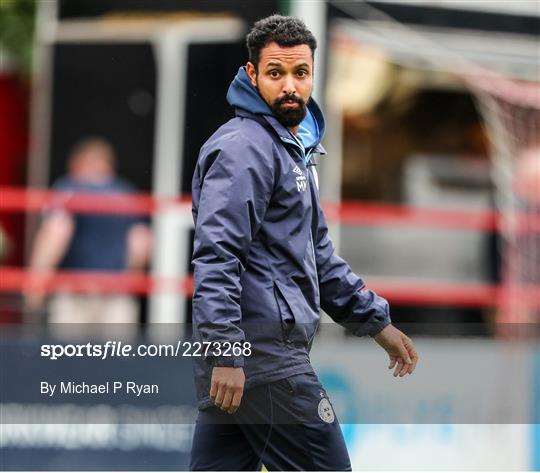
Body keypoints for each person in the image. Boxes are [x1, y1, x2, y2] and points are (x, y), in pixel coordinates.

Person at [189, 15, 418, 471]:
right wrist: (226, 353)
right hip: (262, 361)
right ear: (252, 75)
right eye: (276, 73)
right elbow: (218, 256)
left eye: (301, 73)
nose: (290, 85)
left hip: (251, 363)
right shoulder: (245, 148)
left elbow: (319, 257)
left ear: (314, 74)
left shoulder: (291, 149)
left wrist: (376, 322)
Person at [24, 137, 151, 326]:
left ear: (79, 163)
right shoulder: (126, 193)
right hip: (116, 296)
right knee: (116, 354)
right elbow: (141, 242)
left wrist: (36, 284)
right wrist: (127, 284)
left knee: (70, 354)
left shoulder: (70, 188)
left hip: (76, 294)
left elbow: (57, 231)